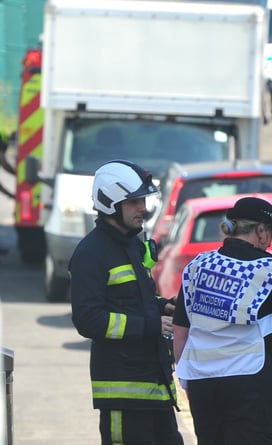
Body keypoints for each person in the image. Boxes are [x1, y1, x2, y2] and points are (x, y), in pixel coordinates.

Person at [172, 196, 272, 445]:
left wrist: (187, 379)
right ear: (260, 230)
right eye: (269, 233)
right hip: (249, 381)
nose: (269, 242)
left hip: (202, 382)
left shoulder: (198, 266)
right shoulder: (266, 269)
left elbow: (181, 331)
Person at [69, 159, 183, 445]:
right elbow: (88, 319)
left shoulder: (132, 243)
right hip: (124, 393)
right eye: (134, 202)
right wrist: (150, 325)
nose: (143, 208)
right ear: (110, 202)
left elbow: (134, 299)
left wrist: (162, 306)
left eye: (143, 200)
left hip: (155, 389)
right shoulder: (91, 253)